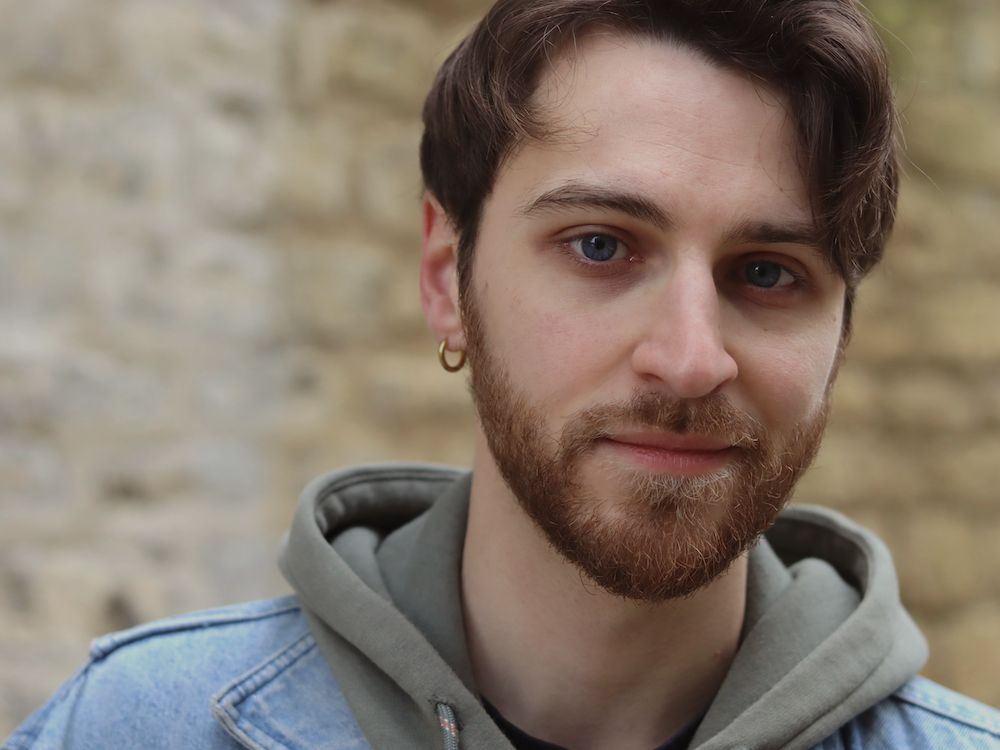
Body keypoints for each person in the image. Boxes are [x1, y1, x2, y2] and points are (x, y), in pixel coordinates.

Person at [6, 1, 1000, 749]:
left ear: (842, 333)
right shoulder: (140, 727)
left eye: (768, 273)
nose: (691, 359)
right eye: (601, 246)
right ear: (448, 278)